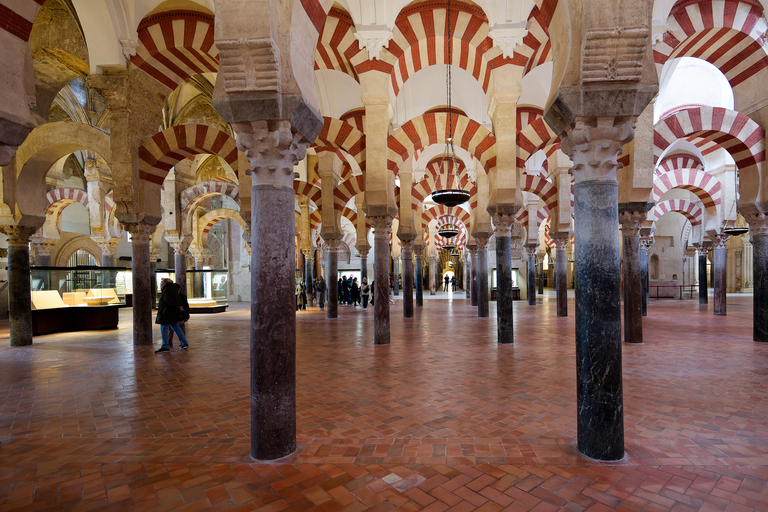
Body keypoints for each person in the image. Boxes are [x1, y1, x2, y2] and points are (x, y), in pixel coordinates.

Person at [155, 278, 189, 353]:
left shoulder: (167, 290)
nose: (160, 283)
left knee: (164, 329)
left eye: (162, 282)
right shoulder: (174, 289)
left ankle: (165, 346)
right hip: (172, 313)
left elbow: (169, 302)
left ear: (164, 283)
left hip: (166, 314)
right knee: (176, 327)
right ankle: (184, 342)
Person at [166, 282, 190, 347]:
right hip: (172, 316)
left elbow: (186, 306)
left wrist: (186, 315)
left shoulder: (182, 296)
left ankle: (183, 342)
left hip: (179, 316)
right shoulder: (170, 296)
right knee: (170, 330)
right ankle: (169, 342)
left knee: (181, 329)